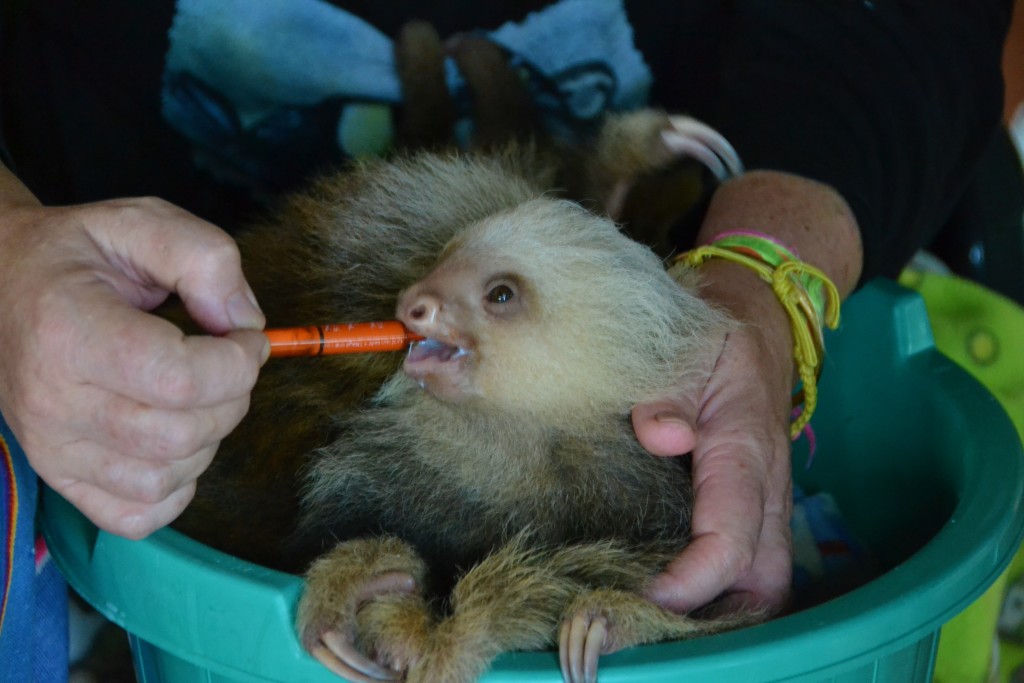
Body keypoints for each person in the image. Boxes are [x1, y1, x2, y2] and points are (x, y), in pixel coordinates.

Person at [0, 0, 1013, 679]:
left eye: (493, 293)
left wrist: (768, 269)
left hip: (801, 176)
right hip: (88, 264)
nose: (421, 307)